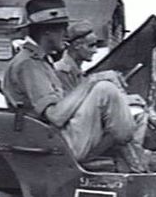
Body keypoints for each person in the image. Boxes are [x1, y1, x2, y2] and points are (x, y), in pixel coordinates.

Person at [3, 0, 156, 173]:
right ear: (46, 32)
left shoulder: (40, 61)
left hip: (52, 138)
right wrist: (92, 82)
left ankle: (138, 158)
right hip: (52, 143)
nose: (66, 35)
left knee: (116, 103)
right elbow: (55, 116)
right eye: (62, 29)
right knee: (105, 90)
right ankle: (140, 160)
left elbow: (64, 106)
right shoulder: (29, 64)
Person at [54, 19, 148, 147]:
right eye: (91, 46)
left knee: (137, 112)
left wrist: (125, 99)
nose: (95, 51)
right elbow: (70, 109)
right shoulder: (61, 71)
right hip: (72, 134)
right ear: (76, 45)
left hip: (84, 125)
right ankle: (135, 160)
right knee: (130, 117)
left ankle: (136, 156)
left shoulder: (77, 70)